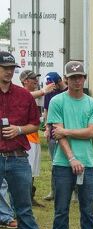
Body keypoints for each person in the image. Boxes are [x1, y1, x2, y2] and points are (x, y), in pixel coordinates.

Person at [46, 61, 93, 229]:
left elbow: (90, 132)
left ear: (84, 78)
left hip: (87, 163)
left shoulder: (92, 104)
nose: (76, 81)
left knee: (87, 209)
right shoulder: (57, 102)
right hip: (63, 163)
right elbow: (57, 134)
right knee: (61, 208)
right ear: (66, 80)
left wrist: (67, 131)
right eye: (72, 78)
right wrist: (71, 157)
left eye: (79, 77)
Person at [0, 51, 45, 229]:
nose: (9, 71)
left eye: (11, 68)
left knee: (23, 206)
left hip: (18, 157)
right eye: (5, 68)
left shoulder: (24, 95)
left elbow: (35, 124)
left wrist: (19, 130)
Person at [19, 70, 51, 206]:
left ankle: (30, 197)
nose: (35, 81)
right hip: (26, 139)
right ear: (25, 81)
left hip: (34, 138)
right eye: (32, 79)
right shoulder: (20, 93)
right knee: (26, 170)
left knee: (32, 171)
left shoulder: (30, 96)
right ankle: (25, 198)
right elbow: (27, 96)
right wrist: (44, 91)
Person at [42, 72, 66, 201]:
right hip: (53, 133)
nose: (52, 87)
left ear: (59, 81)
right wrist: (47, 128)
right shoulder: (49, 93)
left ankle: (75, 192)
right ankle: (54, 191)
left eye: (53, 84)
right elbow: (46, 111)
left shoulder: (69, 91)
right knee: (55, 163)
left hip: (67, 131)